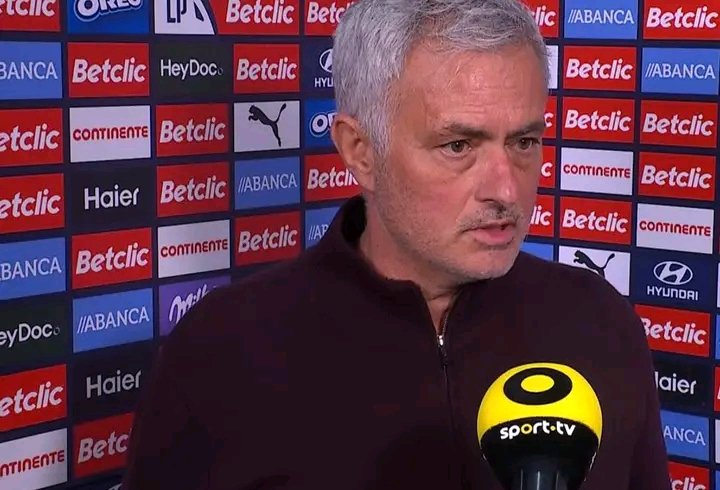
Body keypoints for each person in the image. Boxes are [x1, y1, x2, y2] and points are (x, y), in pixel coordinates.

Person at [122, 1, 671, 489]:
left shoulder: (599, 323)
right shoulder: (220, 354)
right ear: (360, 150)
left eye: (524, 141)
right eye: (459, 145)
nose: (506, 190)